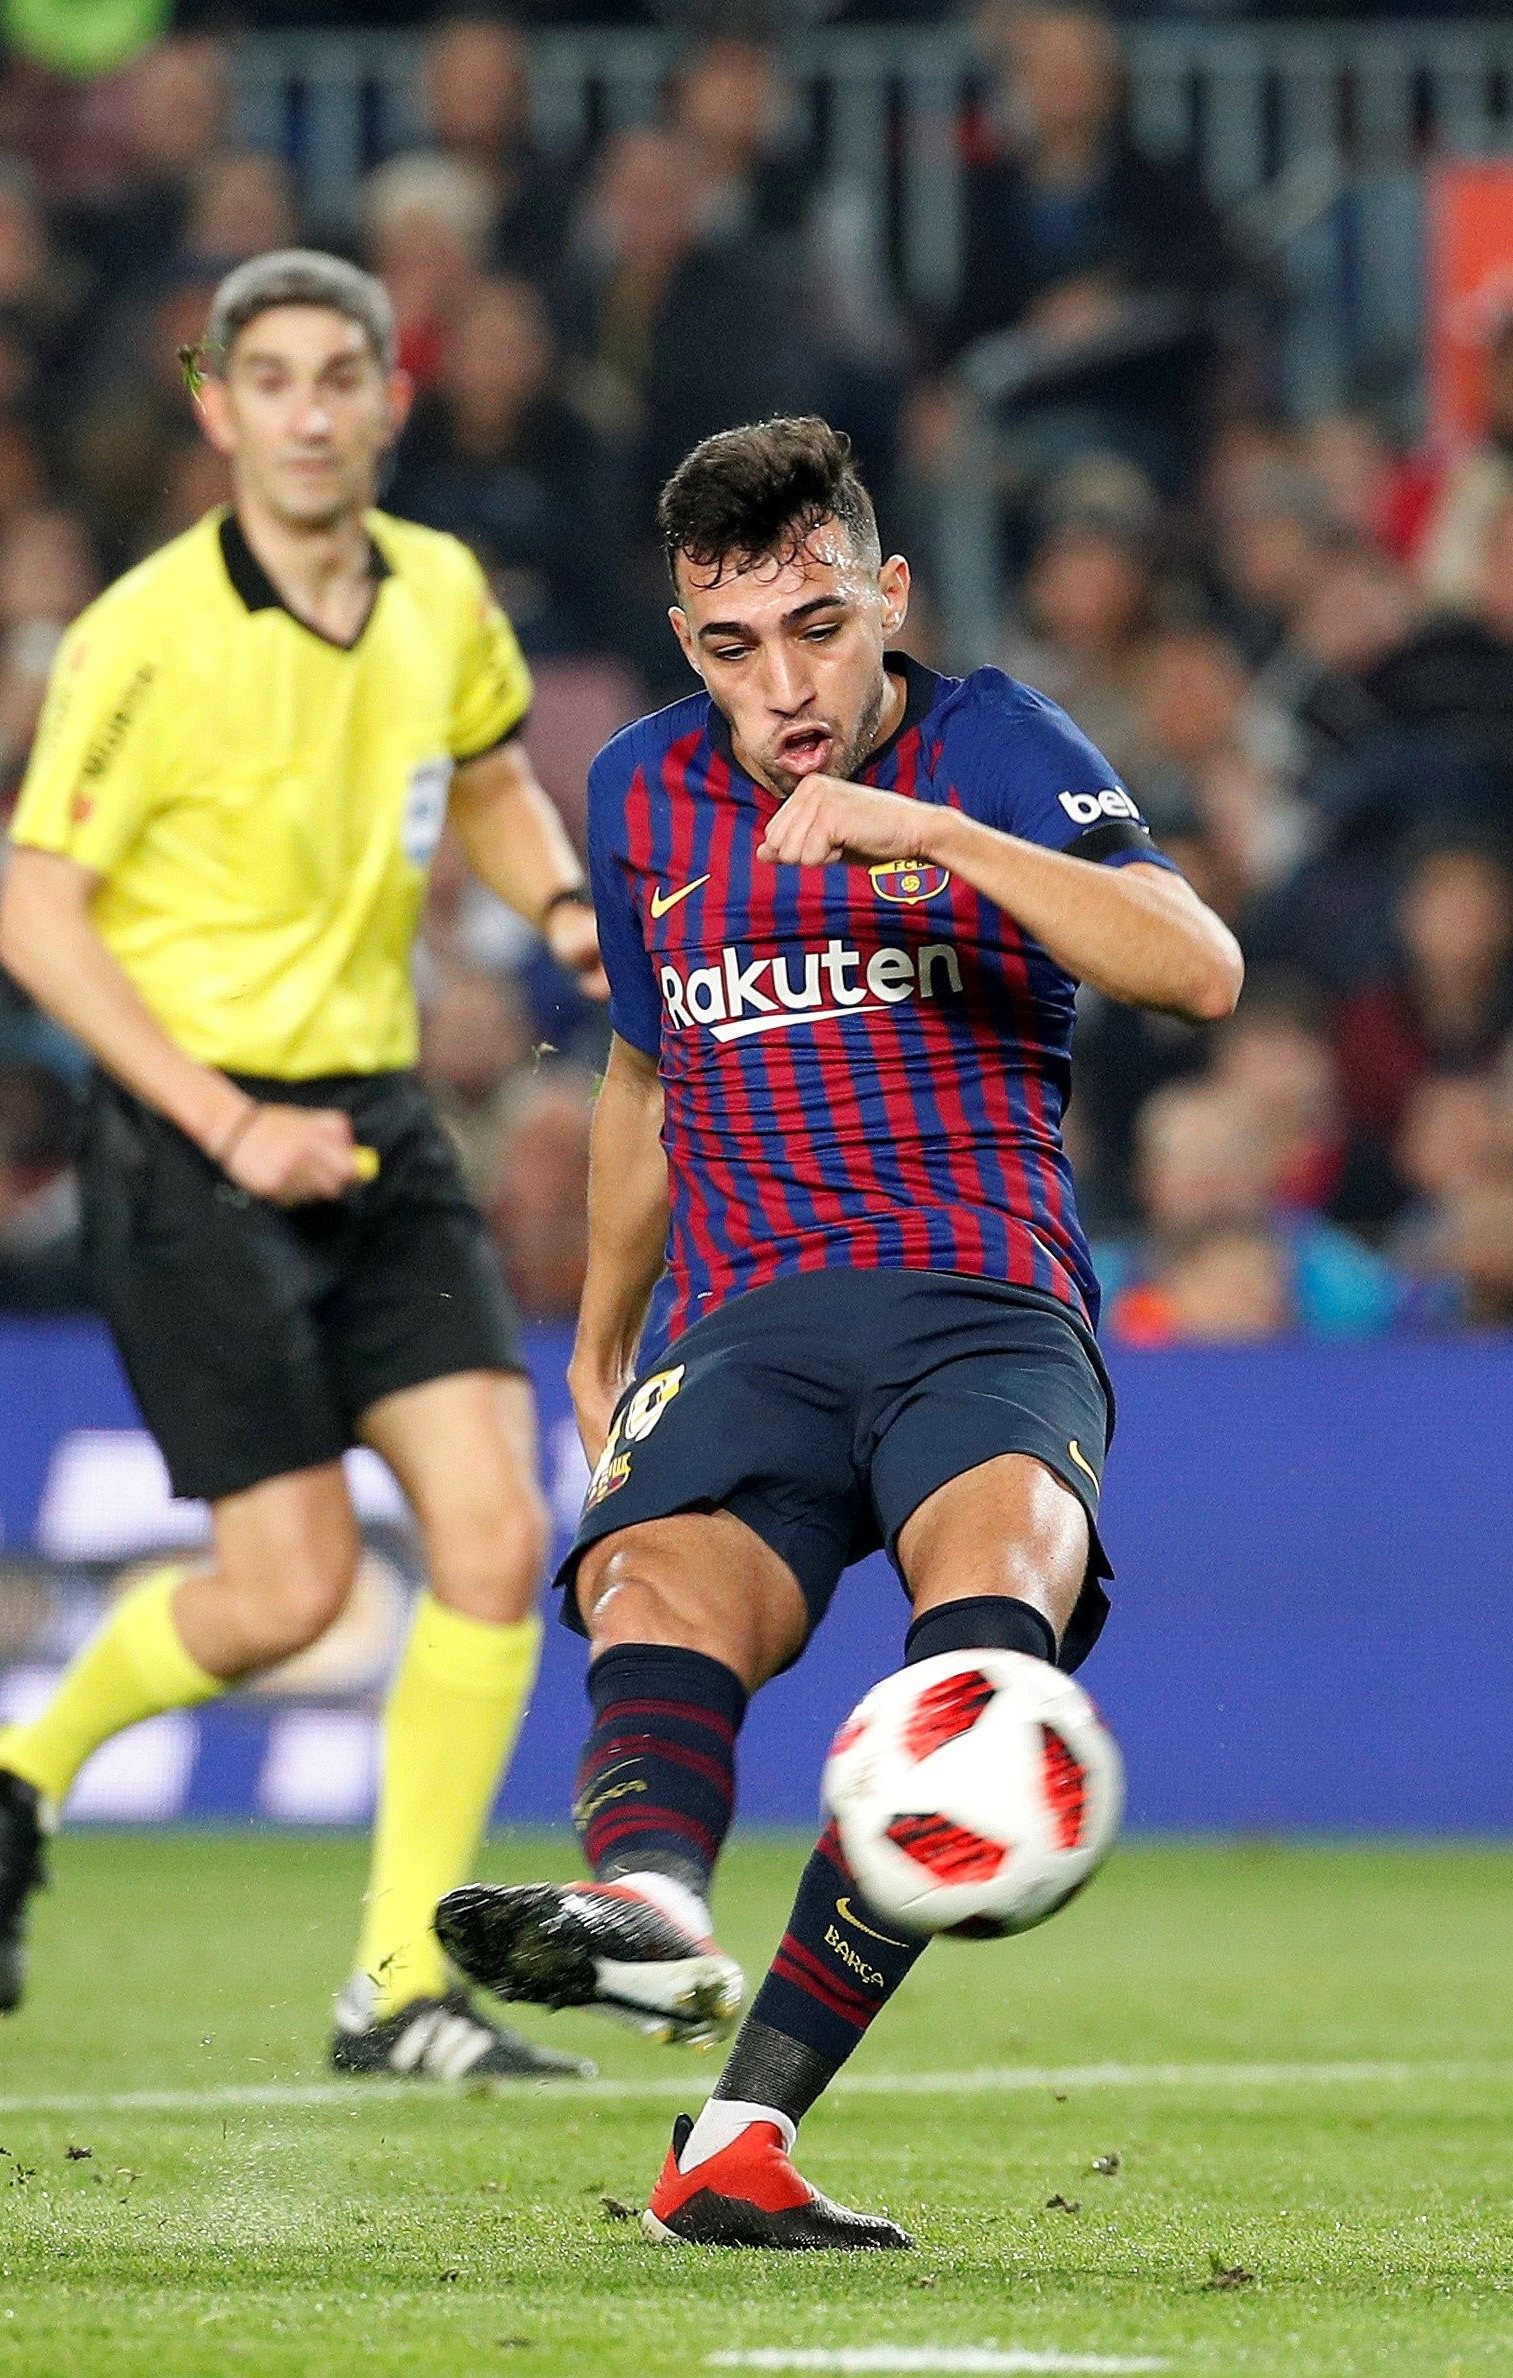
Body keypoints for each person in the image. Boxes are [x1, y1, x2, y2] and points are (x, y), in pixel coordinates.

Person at [431, 419, 1241, 2249]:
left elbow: (1198, 968)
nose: (783, 688)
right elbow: (646, 1066)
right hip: (750, 1315)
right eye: (732, 648)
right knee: (653, 1588)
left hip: (981, 1305)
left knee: (977, 1699)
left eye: (816, 628)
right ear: (682, 640)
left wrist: (931, 830)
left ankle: (740, 2135)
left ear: (888, 596)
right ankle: (648, 1906)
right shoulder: (640, 795)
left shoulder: (1000, 746)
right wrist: (597, 1330)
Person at [0, 251, 607, 2081]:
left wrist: (557, 896)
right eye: (273, 380)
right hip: (192, 1133)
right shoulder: (140, 636)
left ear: (394, 397)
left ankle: (397, 1983)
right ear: (217, 407)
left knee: (492, 1533)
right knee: (294, 1586)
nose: (310, 410)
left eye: (343, 377)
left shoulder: (443, 592)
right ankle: (14, 1769)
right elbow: (34, 914)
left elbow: (486, 771)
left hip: (373, 1115)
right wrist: (227, 1119)